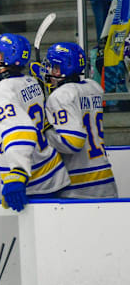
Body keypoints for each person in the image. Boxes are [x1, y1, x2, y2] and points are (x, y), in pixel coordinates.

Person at [0, 33, 69, 212]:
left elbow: (20, 130)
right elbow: (22, 115)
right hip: (50, 169)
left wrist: (17, 172)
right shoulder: (31, 81)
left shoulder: (2, 91)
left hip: (33, 180)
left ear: (4, 58)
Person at [41, 42, 118, 199]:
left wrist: (45, 129)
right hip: (106, 178)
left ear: (60, 69)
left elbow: (73, 143)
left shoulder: (60, 96)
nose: (49, 70)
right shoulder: (93, 87)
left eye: (53, 66)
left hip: (80, 186)